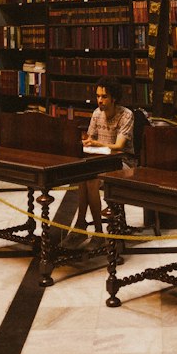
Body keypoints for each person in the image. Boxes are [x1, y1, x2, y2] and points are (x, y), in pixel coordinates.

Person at [74, 80, 134, 245]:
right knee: (83, 178)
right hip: (100, 160)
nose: (99, 100)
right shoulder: (96, 114)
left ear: (114, 98)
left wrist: (96, 144)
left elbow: (119, 146)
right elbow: (89, 140)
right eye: (98, 96)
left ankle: (98, 233)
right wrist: (85, 142)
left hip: (123, 162)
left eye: (104, 97)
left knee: (92, 181)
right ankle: (81, 226)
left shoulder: (126, 115)